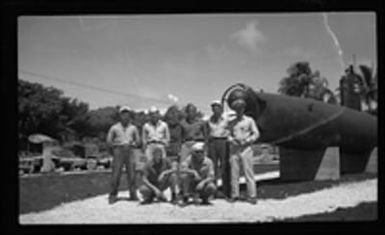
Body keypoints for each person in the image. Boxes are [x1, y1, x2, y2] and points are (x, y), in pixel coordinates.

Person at [227, 98, 259, 205]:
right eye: (237, 109)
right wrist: (232, 141)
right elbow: (228, 135)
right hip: (235, 149)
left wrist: (248, 141)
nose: (239, 110)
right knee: (234, 173)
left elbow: (256, 133)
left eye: (240, 108)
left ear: (244, 109)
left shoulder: (249, 120)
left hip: (246, 148)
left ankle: (252, 195)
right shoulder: (231, 122)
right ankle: (235, 195)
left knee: (248, 172)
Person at [106, 106, 140, 204]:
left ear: (129, 115)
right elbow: (108, 141)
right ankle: (113, 195)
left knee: (132, 173)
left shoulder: (133, 128)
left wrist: (133, 144)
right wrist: (113, 150)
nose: (125, 115)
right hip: (118, 149)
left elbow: (138, 141)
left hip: (130, 150)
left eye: (127, 113)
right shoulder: (114, 127)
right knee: (116, 173)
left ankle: (133, 194)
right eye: (123, 113)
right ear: (120, 115)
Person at [205, 100, 230, 198]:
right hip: (212, 142)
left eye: (217, 107)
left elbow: (231, 130)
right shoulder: (209, 120)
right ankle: (213, 190)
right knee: (213, 167)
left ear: (221, 109)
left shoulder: (227, 119)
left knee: (224, 166)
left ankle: (226, 191)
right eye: (213, 108)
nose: (215, 110)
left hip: (223, 142)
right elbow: (207, 132)